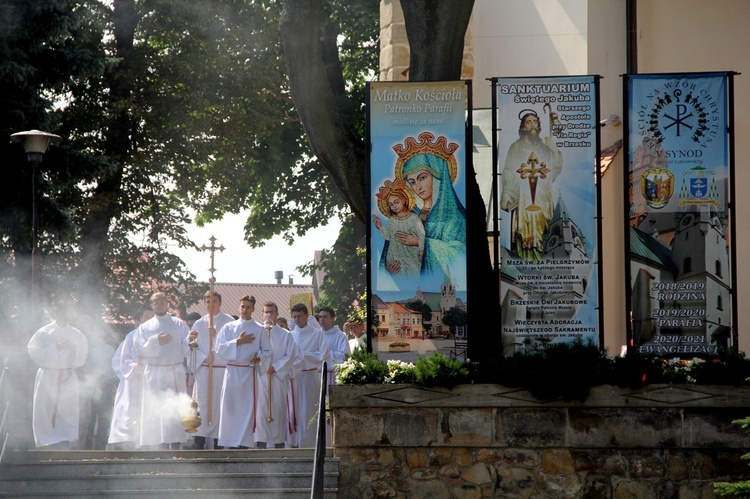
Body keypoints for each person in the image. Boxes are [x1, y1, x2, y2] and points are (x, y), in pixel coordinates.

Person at [391, 131, 467, 275]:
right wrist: (393, 264)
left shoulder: (456, 219)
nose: (417, 187)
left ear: (439, 177)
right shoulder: (409, 215)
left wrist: (421, 242)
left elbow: (459, 256)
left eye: (423, 178)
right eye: (412, 182)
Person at [133, 292, 197, 450]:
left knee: (175, 408)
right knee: (157, 407)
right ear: (152, 305)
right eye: (156, 302)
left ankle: (175, 444)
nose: (159, 305)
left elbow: (185, 346)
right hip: (155, 372)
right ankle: (159, 445)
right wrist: (155, 341)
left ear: (167, 304)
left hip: (174, 370)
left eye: (162, 302)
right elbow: (139, 350)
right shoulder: (145, 327)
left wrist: (191, 340)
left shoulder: (178, 324)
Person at [500, 109, 564, 261]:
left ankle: (544, 263)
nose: (532, 125)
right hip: (523, 197)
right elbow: (509, 170)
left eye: (535, 122)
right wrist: (506, 193)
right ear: (523, 127)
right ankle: (526, 264)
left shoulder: (545, 147)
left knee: (545, 230)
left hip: (543, 197)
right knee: (524, 231)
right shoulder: (516, 147)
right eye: (528, 122)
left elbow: (555, 169)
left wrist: (554, 150)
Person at [27, 302, 89, 449]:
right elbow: (34, 352)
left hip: (67, 374)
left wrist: (73, 350)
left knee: (67, 409)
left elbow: (82, 357)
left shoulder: (76, 334)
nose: (65, 316)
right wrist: (55, 347)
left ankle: (65, 441)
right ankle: (45, 442)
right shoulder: (43, 332)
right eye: (62, 313)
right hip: (48, 373)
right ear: (56, 314)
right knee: (45, 408)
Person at [214, 295, 270, 449]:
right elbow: (218, 348)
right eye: (242, 306)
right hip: (232, 372)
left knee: (247, 409)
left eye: (248, 307)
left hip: (248, 373)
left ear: (253, 309)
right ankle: (230, 442)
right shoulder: (229, 327)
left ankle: (244, 442)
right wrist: (237, 342)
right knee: (230, 408)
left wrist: (258, 358)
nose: (244, 310)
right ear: (238, 307)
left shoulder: (259, 329)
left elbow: (267, 352)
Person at [186, 291, 234, 449]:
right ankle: (199, 440)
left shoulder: (229, 322)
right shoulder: (199, 323)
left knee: (219, 405)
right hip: (205, 370)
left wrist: (217, 335)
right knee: (202, 404)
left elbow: (234, 345)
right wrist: (204, 358)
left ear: (220, 303)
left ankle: (218, 441)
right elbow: (191, 349)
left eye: (214, 301)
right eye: (207, 301)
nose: (210, 304)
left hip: (221, 370)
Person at [107, 309, 154, 450]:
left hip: (150, 383)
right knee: (130, 412)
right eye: (146, 316)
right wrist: (134, 367)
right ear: (140, 318)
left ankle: (148, 444)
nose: (148, 319)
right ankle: (126, 443)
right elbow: (118, 361)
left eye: (152, 317)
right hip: (132, 382)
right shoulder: (131, 337)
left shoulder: (159, 338)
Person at [254, 302, 297, 449]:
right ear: (261, 314)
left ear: (277, 314)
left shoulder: (285, 334)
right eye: (266, 312)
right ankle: (260, 442)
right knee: (260, 409)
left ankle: (278, 442)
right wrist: (262, 363)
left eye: (271, 312)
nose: (268, 315)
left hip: (277, 378)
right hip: (260, 377)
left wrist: (276, 367)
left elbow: (290, 355)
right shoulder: (256, 332)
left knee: (277, 408)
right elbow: (252, 353)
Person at [288, 303, 328, 448]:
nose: (297, 319)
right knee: (295, 409)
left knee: (309, 409)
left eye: (300, 316)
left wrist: (302, 357)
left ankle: (310, 443)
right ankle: (294, 442)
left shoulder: (317, 333)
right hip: (294, 377)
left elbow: (323, 354)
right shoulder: (290, 335)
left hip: (310, 376)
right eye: (295, 317)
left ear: (306, 316)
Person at [373, 180, 425, 276]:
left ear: (404, 200)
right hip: (395, 257)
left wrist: (421, 250)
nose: (394, 206)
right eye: (391, 204)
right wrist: (380, 227)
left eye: (396, 202)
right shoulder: (392, 220)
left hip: (411, 256)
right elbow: (389, 237)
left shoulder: (414, 218)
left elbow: (421, 234)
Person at [317, 306, 349, 382]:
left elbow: (344, 356)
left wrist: (326, 354)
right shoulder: (316, 335)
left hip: (334, 374)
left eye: (325, 317)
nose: (322, 319)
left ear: (333, 318)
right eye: (320, 317)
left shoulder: (341, 336)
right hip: (318, 374)